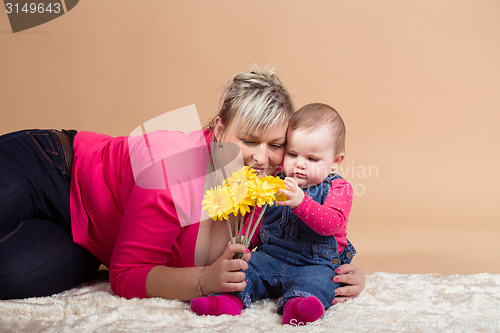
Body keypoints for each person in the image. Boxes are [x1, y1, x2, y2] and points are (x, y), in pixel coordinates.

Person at [0, 69, 365, 302]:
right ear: (219, 130)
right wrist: (205, 280)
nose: (262, 158)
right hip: (53, 167)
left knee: (9, 277)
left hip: (87, 238)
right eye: (249, 141)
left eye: (275, 145)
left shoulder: (270, 186)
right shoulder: (172, 171)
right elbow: (126, 277)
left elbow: (306, 233)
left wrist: (343, 269)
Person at [190, 103, 355, 325]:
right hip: (270, 257)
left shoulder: (338, 188)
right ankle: (226, 301)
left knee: (319, 283)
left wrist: (300, 202)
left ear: (335, 161)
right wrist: (244, 247)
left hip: (313, 264)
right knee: (244, 272)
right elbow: (258, 222)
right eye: (293, 154)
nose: (300, 165)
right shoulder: (273, 183)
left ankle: (299, 306)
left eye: (312, 159)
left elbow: (331, 224)